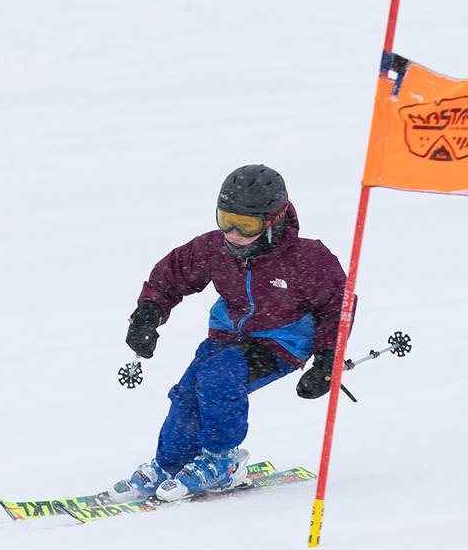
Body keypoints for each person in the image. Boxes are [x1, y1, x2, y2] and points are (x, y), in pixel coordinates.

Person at [110, 164, 348, 502]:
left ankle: (223, 461)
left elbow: (336, 308)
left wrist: (326, 362)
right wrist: (149, 314)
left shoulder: (308, 259)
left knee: (219, 379)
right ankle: (171, 462)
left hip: (282, 341)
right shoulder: (214, 249)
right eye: (226, 220)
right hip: (228, 335)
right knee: (189, 390)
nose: (233, 233)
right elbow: (172, 275)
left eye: (246, 225)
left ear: (274, 220)